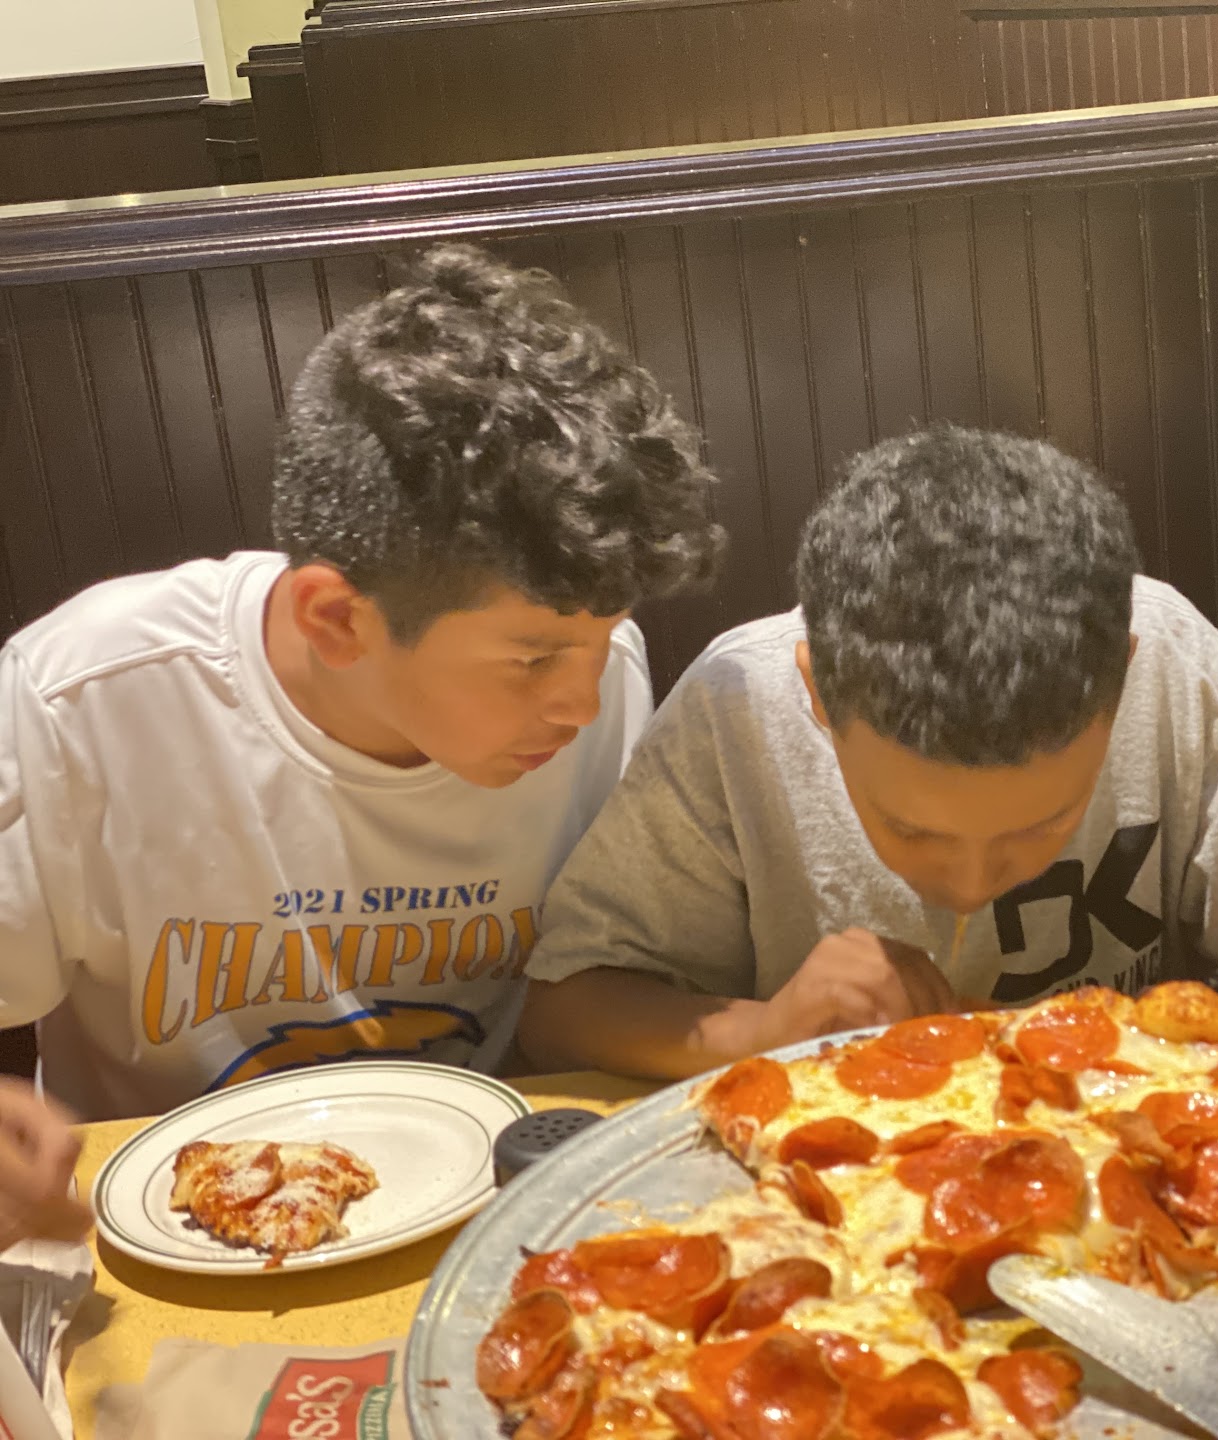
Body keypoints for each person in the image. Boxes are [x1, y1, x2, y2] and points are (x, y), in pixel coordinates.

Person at [0, 245, 723, 1237]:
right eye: (531, 660)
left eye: (607, 639)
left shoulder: (601, 673)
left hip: (503, 1207)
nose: (584, 706)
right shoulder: (80, 701)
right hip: (165, 1232)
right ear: (335, 619)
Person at [516, 425, 1218, 1081]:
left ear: (1121, 680)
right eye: (914, 830)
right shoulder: (738, 706)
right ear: (818, 691)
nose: (972, 883)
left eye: (1041, 824)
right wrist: (762, 1031)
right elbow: (562, 1008)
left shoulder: (1165, 652)